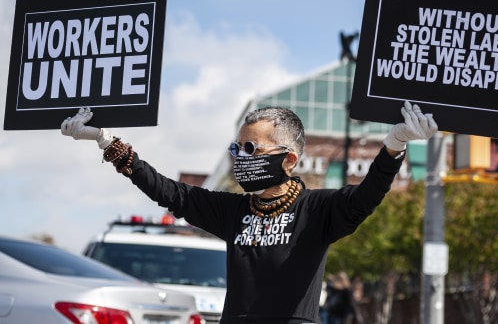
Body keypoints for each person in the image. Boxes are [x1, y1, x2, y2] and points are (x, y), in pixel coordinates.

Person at [61, 101, 437, 324]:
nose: (239, 157)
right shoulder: (233, 210)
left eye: (250, 148)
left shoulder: (318, 210)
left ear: (288, 159)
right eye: (236, 147)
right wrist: (104, 140)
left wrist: (394, 144)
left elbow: (367, 195)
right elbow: (168, 192)